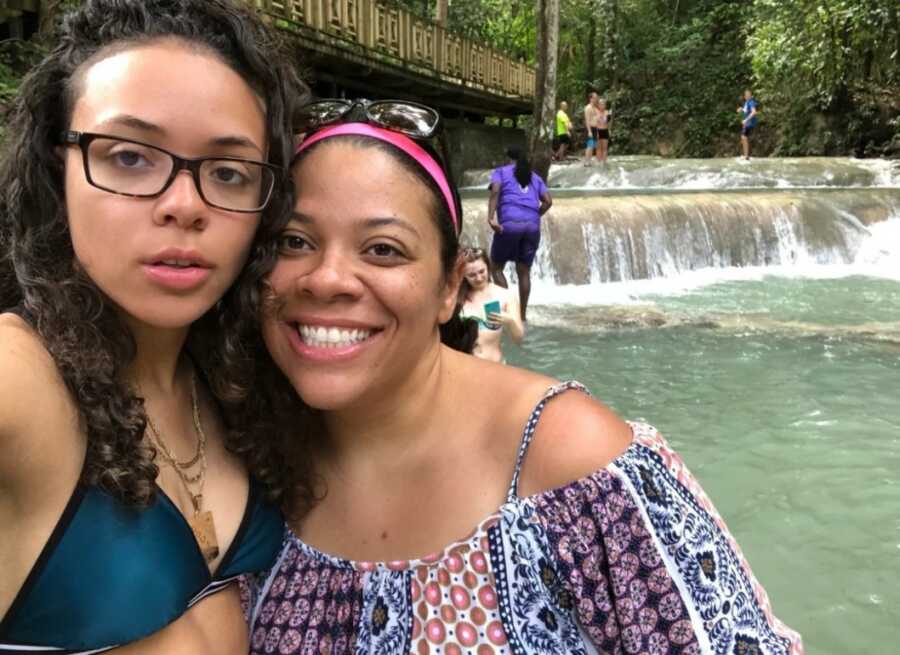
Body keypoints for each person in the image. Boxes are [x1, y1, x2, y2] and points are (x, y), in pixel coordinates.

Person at [227, 105, 804, 654]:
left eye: (383, 249)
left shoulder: (575, 464)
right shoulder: (242, 458)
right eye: (293, 242)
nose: (327, 279)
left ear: (451, 287)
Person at [0, 0, 303, 652]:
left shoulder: (241, 382)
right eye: (130, 158)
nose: (185, 206)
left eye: (227, 172)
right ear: (62, 170)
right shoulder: (21, 377)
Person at [487, 145, 551, 323]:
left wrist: (491, 218)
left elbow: (495, 192)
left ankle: (510, 311)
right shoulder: (534, 177)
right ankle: (522, 316)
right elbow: (548, 201)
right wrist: (534, 216)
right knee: (524, 272)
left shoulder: (501, 172)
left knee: (496, 267)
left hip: (510, 224)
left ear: (509, 159)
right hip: (532, 227)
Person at [459, 247, 524, 362]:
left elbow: (518, 339)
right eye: (472, 275)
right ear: (463, 275)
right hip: (465, 367)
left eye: (481, 271)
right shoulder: (457, 298)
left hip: (494, 367)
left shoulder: (506, 296)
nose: (478, 278)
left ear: (488, 267)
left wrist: (509, 321)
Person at [737, 88, 759, 160]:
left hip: (750, 123)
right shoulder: (746, 103)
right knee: (743, 137)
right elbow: (746, 111)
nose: (747, 96)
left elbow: (754, 112)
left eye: (748, 94)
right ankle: (745, 155)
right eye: (746, 95)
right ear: (744, 96)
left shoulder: (751, 102)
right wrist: (741, 110)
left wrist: (746, 120)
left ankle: (746, 156)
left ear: (751, 95)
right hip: (747, 124)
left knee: (744, 137)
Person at [583, 91, 599, 166]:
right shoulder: (587, 108)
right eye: (595, 97)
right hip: (590, 128)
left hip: (595, 128)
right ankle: (586, 161)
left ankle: (589, 160)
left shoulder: (595, 108)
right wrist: (589, 131)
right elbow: (587, 120)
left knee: (593, 145)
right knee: (589, 145)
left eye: (597, 97)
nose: (596, 99)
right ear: (591, 98)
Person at [595, 97, 612, 163]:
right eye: (600, 104)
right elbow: (595, 123)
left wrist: (609, 130)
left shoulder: (607, 112)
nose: (602, 105)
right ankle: (598, 162)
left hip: (605, 131)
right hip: (598, 130)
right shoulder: (596, 112)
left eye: (603, 104)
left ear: (605, 105)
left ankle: (604, 162)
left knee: (605, 148)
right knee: (598, 148)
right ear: (598, 105)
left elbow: (608, 122)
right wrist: (596, 132)